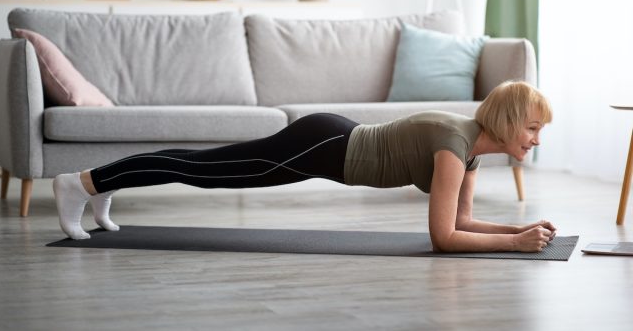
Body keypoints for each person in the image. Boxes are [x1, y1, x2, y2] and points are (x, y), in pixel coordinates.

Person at [53, 80, 555, 253]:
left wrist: (521, 228)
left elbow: (462, 223)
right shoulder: (454, 144)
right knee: (206, 169)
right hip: (323, 144)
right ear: (509, 121)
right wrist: (513, 243)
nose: (535, 140)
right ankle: (82, 183)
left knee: (205, 167)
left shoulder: (470, 151)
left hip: (331, 141)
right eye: (532, 128)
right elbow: (443, 238)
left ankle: (101, 184)